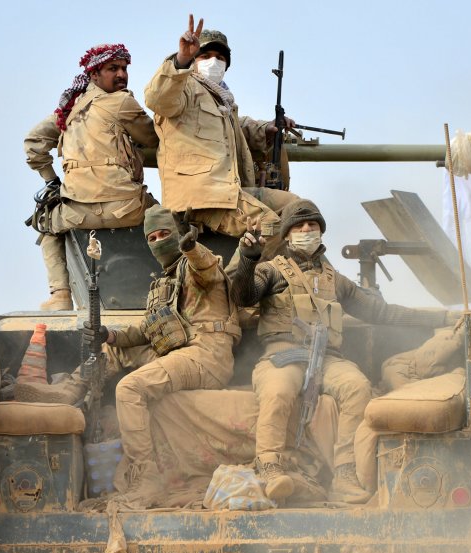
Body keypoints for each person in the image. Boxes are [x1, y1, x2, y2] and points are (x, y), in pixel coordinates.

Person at [230, 200, 460, 504]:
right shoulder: (271, 271)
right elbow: (243, 295)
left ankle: (346, 471)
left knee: (357, 387)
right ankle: (270, 465)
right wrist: (248, 258)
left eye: (313, 225)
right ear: (286, 235)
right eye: (299, 226)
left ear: (321, 232)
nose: (307, 230)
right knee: (278, 390)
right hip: (283, 354)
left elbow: (382, 313)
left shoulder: (334, 280)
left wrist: (442, 318)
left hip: (326, 358)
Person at [18, 206, 241, 508]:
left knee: (129, 389)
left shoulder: (194, 269)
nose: (159, 241)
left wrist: (191, 247)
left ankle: (146, 477)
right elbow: (146, 331)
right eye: (152, 237)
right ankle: (70, 389)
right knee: (115, 348)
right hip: (179, 352)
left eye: (165, 234)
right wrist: (108, 336)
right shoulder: (163, 283)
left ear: (178, 236)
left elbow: (208, 268)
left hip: (206, 355)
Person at [25, 43, 159, 311]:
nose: (122, 74)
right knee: (169, 219)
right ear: (95, 74)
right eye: (113, 69)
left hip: (76, 211)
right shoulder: (122, 102)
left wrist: (51, 181)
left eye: (124, 68)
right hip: (127, 208)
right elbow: (154, 140)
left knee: (46, 225)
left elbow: (34, 142)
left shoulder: (69, 110)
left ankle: (61, 295)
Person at [143, 15, 298, 242]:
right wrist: (181, 60)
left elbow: (237, 125)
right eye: (205, 56)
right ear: (194, 60)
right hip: (202, 197)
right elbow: (158, 99)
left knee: (299, 210)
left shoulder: (222, 99)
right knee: (271, 229)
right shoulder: (182, 87)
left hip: (228, 193)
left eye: (220, 57)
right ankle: (237, 277)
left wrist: (267, 127)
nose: (213, 61)